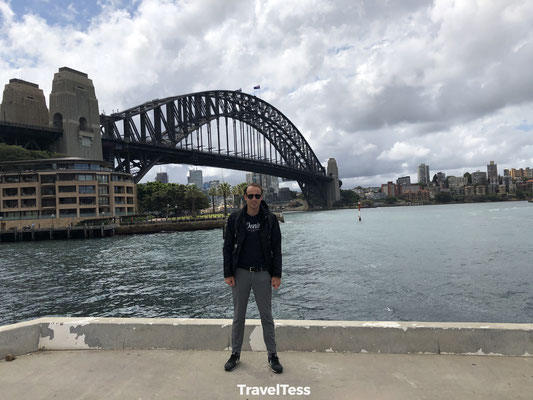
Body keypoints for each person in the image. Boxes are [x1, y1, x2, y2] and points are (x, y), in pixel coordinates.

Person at [223, 183, 283, 373]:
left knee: (266, 316)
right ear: (245, 198)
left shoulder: (270, 219)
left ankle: (272, 355)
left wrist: (276, 274)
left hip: (263, 273)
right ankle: (235, 354)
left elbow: (277, 249)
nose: (254, 199)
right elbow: (227, 247)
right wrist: (228, 273)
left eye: (258, 196)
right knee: (238, 316)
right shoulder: (235, 219)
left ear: (262, 197)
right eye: (251, 196)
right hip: (240, 273)